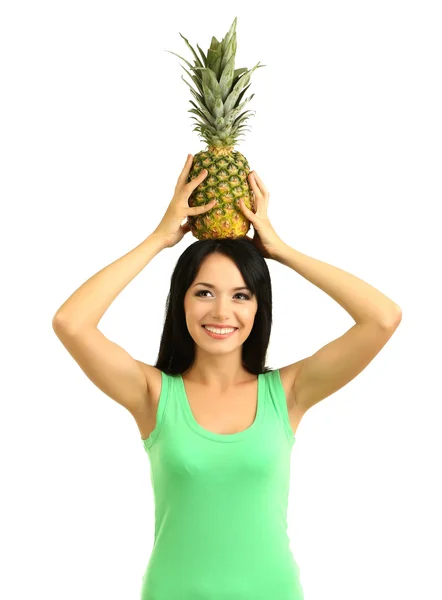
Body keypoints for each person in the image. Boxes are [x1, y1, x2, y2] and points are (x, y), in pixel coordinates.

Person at [52, 154, 402, 599]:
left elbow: (383, 318)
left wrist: (282, 251)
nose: (221, 312)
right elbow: (71, 322)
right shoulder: (152, 395)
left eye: (241, 295)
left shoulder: (289, 394)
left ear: (259, 307)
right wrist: (160, 239)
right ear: (181, 301)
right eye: (204, 293)